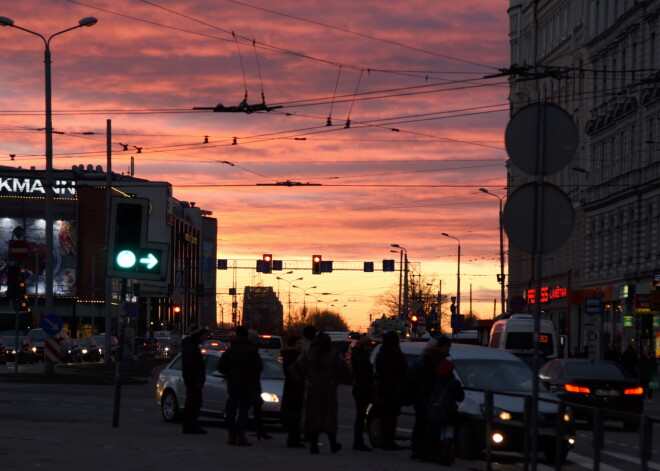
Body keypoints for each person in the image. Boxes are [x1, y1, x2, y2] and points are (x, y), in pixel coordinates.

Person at [290, 332, 352, 454]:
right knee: (329, 418)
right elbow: (345, 371)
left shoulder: (308, 354)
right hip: (328, 390)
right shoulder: (333, 355)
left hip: (311, 390)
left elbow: (294, 369)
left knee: (312, 418)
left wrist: (303, 381)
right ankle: (333, 444)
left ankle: (314, 445)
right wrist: (340, 380)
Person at [412, 336, 464, 465]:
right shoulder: (440, 363)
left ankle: (422, 451)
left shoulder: (427, 359)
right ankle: (437, 453)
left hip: (427, 397)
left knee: (425, 426)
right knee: (439, 429)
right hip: (436, 400)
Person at [218, 326, 263, 446]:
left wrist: (230, 373)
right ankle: (240, 436)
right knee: (243, 412)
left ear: (236, 335)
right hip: (248, 386)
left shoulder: (230, 350)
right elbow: (259, 367)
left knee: (231, 412)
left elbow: (221, 367)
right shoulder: (252, 350)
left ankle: (231, 436)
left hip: (232, 386)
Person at [373, 330, 408, 450]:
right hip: (393, 389)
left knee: (384, 416)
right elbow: (403, 371)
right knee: (392, 417)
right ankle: (389, 441)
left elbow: (378, 370)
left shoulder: (381, 354)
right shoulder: (396, 354)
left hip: (382, 388)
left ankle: (383, 440)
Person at [180, 325, 210, 434]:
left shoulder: (191, 346)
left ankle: (191, 425)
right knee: (193, 403)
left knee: (194, 402)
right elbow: (192, 366)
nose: (206, 338)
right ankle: (190, 425)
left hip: (192, 380)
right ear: (199, 336)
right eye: (204, 335)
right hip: (193, 381)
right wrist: (197, 379)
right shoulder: (191, 348)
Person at [350, 335, 375, 451]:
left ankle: (358, 440)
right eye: (369, 345)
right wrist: (374, 376)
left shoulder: (357, 356)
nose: (370, 348)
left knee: (360, 415)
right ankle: (358, 441)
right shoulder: (362, 358)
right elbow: (364, 373)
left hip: (359, 387)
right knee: (361, 416)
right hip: (362, 388)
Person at [281, 335, 305, 448]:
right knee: (295, 413)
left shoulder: (288, 355)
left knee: (294, 413)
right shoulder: (294, 356)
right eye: (299, 343)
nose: (301, 346)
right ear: (294, 344)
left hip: (291, 387)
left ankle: (294, 437)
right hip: (294, 388)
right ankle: (293, 438)